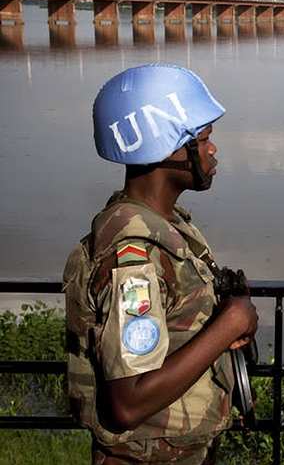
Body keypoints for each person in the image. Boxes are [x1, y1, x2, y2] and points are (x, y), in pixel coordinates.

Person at [63, 63, 258, 464]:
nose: (212, 149)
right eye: (203, 138)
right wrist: (228, 326)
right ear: (169, 148)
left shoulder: (165, 225)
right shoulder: (133, 256)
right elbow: (128, 402)